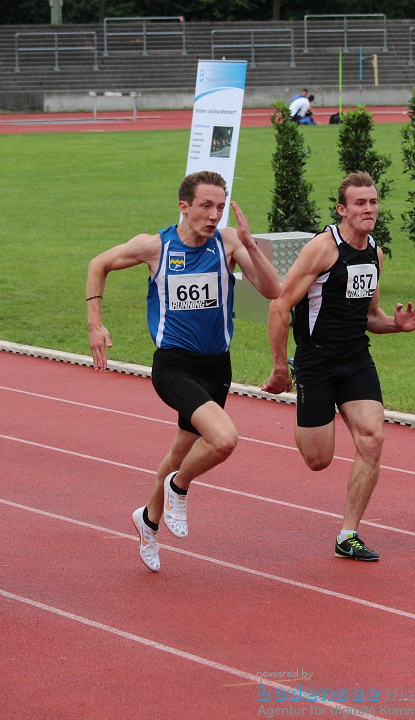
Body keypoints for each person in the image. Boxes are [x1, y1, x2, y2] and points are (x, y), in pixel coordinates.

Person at [86, 171, 280, 572]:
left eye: (220, 208)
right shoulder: (155, 246)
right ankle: (179, 487)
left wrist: (249, 245)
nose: (213, 216)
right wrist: (95, 324)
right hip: (174, 365)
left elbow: (272, 290)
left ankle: (149, 521)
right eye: (206, 206)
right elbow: (98, 264)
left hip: (216, 367)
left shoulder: (227, 243)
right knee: (224, 439)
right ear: (184, 206)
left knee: (179, 452)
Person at [262, 171, 415, 561]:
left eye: (372, 202)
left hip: (355, 359)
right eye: (359, 203)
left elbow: (371, 315)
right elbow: (279, 305)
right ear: (342, 209)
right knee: (318, 460)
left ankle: (347, 534)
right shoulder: (322, 249)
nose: (368, 209)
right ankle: (311, 408)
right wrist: (280, 367)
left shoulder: (375, 253)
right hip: (315, 362)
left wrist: (396, 326)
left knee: (373, 438)